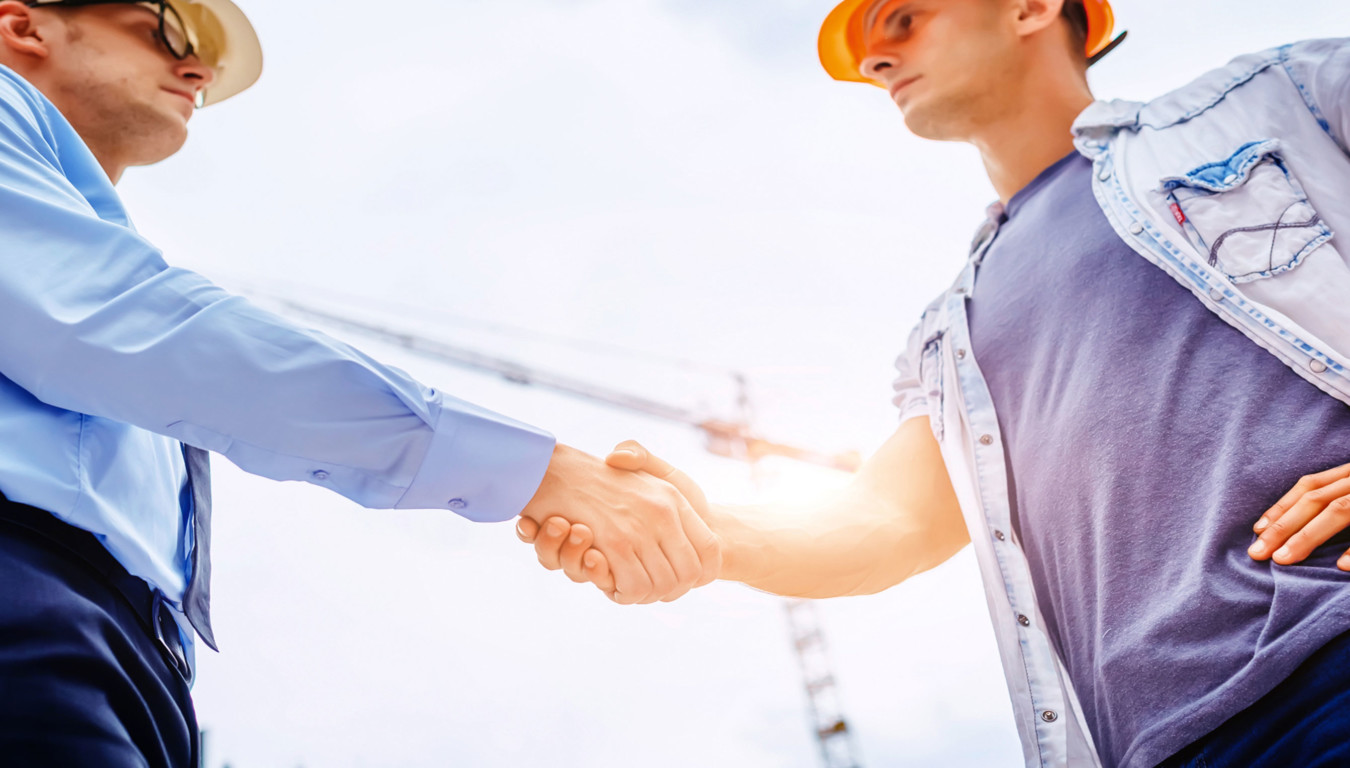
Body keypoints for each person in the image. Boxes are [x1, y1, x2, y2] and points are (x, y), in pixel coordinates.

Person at [521, 2, 1350, 766]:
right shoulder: (950, 335)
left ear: (1028, 7)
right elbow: (886, 523)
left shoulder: (1276, 102)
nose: (875, 60)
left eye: (902, 19)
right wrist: (698, 535)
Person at [0, 1, 721, 765]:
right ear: (24, 26)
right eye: (165, 31)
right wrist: (537, 472)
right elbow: (125, 327)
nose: (197, 70)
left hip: (122, 655)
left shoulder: (93, 246)